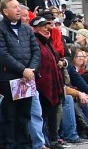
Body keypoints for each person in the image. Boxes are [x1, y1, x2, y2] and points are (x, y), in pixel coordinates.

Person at [0, 0, 40, 149]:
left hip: (28, 79)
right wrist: (23, 70)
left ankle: (24, 145)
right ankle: (10, 145)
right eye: (14, 7)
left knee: (24, 115)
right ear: (5, 11)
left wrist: (31, 70)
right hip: (9, 79)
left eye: (19, 6)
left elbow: (36, 51)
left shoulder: (26, 29)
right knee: (10, 116)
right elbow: (3, 55)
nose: (19, 10)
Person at [31, 16, 64, 147]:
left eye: (47, 26)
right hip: (41, 84)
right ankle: (45, 141)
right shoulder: (35, 41)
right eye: (42, 26)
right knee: (42, 114)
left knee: (52, 112)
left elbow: (57, 58)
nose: (46, 29)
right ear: (35, 28)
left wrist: (62, 62)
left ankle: (53, 140)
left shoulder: (47, 42)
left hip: (53, 84)